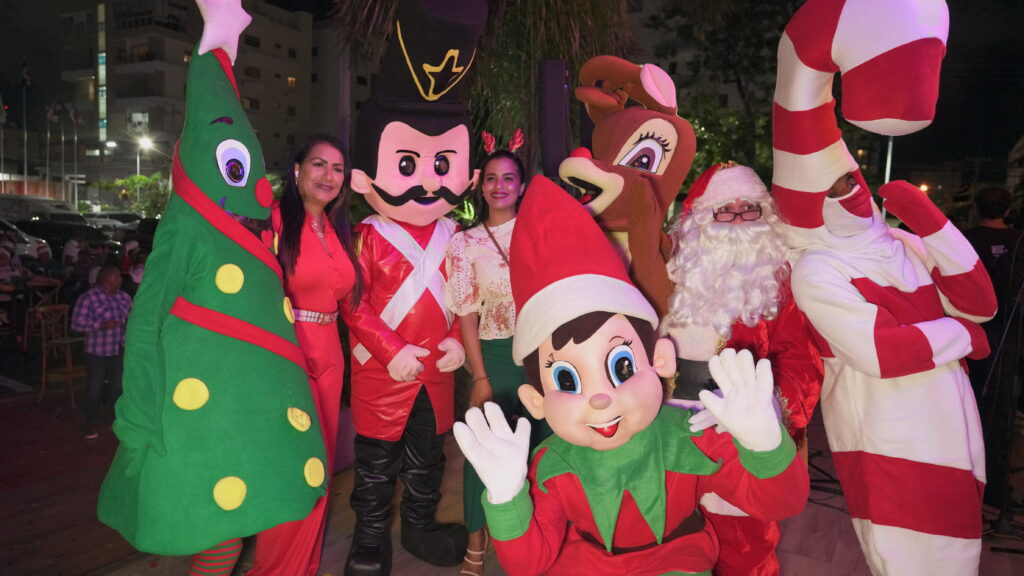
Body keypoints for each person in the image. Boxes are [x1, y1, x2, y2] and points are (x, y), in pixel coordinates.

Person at [453, 175, 809, 575]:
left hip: (677, 560)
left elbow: (780, 503)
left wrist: (764, 444)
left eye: (621, 367)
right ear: (537, 401)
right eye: (568, 381)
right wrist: (506, 498)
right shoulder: (551, 464)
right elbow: (529, 564)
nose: (600, 398)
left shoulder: (689, 438)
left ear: (660, 360)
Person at [97, 5, 328, 575]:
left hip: (246, 416)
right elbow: (146, 320)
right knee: (214, 533)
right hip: (197, 419)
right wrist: (141, 410)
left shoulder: (253, 238)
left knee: (234, 525)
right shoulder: (186, 227)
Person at [339, 1, 487, 573]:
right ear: (364, 177)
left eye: (442, 164)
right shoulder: (364, 238)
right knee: (376, 468)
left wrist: (455, 341)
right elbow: (354, 304)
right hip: (383, 373)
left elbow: (467, 297)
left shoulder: (459, 238)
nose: (427, 180)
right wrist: (391, 349)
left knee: (428, 463)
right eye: (408, 165)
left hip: (437, 372)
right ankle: (369, 541)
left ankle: (420, 530)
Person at [663, 162, 822, 576]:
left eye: (748, 209)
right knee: (668, 543)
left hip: (737, 442)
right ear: (701, 219)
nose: (737, 220)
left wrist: (761, 410)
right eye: (724, 210)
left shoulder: (778, 284)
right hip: (668, 435)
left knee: (743, 549)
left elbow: (803, 362)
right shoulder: (668, 274)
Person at [246, 134, 363, 576]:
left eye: (337, 169)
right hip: (288, 355)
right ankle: (274, 568)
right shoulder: (273, 222)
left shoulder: (335, 229)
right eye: (319, 164)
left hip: (330, 354)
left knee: (320, 466)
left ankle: (303, 565)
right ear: (297, 170)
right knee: (290, 466)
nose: (328, 175)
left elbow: (349, 300)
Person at [445, 140, 548, 575]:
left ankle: (538, 537)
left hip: (544, 354)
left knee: (544, 448)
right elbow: (467, 314)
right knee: (484, 448)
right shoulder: (464, 243)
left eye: (509, 178)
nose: (499, 185)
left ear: (522, 185)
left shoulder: (541, 230)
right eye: (491, 178)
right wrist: (480, 376)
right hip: (496, 355)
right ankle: (476, 541)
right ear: (481, 187)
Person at [963, 185, 1024, 509]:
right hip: (1006, 338)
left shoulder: (962, 239)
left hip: (965, 336)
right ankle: (995, 489)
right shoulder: (1019, 242)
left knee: (963, 408)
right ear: (1008, 210)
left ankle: (961, 481)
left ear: (976, 209)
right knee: (998, 416)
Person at [71, 265, 132, 439]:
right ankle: (91, 422)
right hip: (97, 350)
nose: (120, 279)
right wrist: (101, 325)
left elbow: (133, 318)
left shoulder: (124, 297)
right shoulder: (89, 298)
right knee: (94, 389)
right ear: (107, 278)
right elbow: (76, 324)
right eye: (117, 276)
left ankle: (112, 419)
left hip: (119, 347)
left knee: (117, 387)